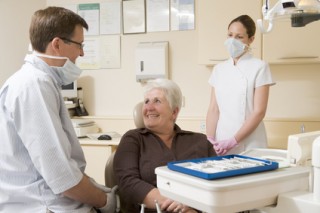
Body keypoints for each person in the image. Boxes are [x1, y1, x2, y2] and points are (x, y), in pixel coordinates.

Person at [0, 7, 117, 213]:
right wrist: (104, 201)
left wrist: (96, 187)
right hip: (44, 206)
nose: (81, 53)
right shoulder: (34, 85)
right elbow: (63, 179)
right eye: (79, 45)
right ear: (57, 44)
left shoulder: (37, 81)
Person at [113, 78, 216, 213]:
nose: (149, 107)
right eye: (146, 101)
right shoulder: (133, 139)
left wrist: (193, 207)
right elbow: (127, 182)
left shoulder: (199, 141)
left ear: (174, 112)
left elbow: (215, 182)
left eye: (157, 101)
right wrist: (178, 205)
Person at [206, 15, 275, 156]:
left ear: (251, 39)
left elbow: (259, 112)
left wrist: (233, 141)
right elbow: (213, 109)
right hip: (221, 142)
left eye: (239, 37)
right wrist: (209, 140)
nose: (232, 41)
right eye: (230, 35)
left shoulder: (260, 67)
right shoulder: (219, 69)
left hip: (250, 143)